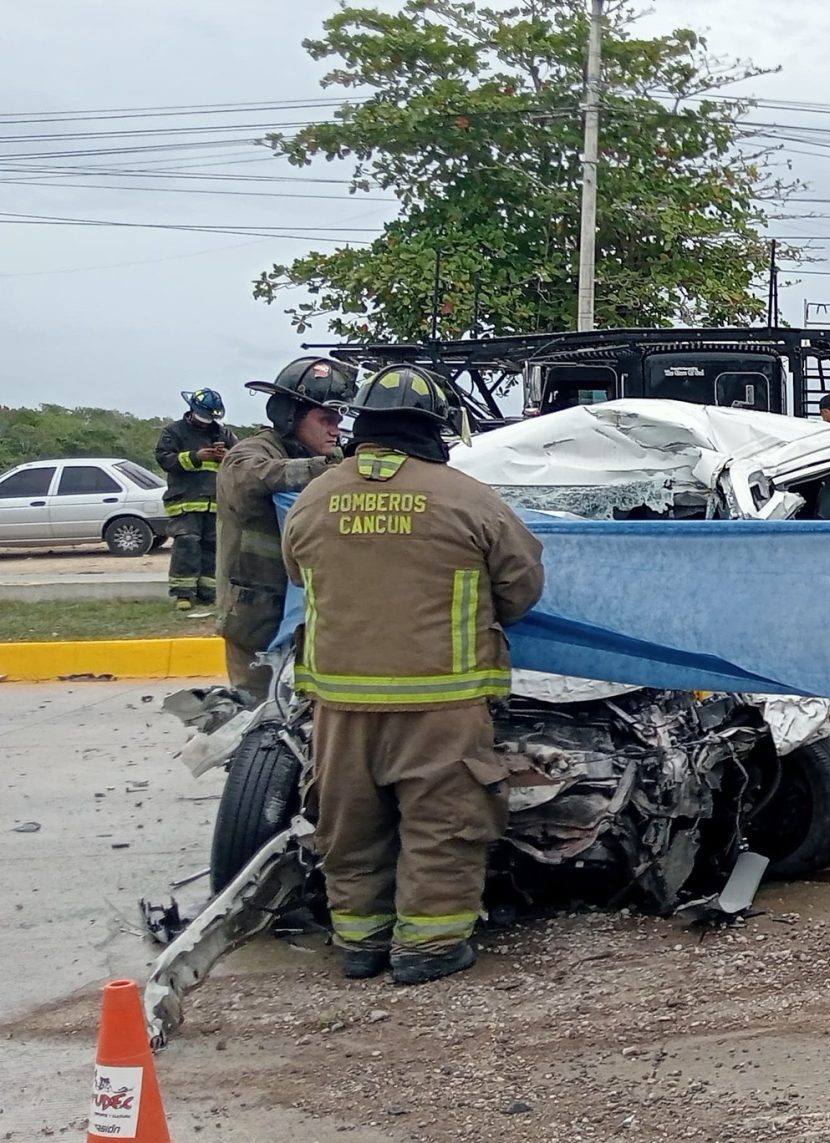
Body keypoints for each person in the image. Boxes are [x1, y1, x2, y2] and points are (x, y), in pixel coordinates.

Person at [284, 365, 544, 986]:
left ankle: (360, 943)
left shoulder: (315, 498)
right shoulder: (467, 497)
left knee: (349, 823)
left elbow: (299, 575)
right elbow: (522, 584)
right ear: (437, 428)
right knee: (444, 825)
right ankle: (428, 949)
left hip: (340, 704)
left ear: (362, 424)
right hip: (441, 700)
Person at [216, 357, 355, 692]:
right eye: (325, 419)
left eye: (337, 419)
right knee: (256, 715)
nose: (335, 429)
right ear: (290, 416)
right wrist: (325, 470)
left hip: (306, 617)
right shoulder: (250, 452)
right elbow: (250, 478)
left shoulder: (324, 458)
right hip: (255, 620)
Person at [156, 389, 238, 613]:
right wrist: (196, 456)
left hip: (215, 501)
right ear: (193, 410)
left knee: (213, 547)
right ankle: (183, 594)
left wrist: (227, 457)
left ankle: (207, 593)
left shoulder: (223, 433)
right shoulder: (174, 432)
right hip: (186, 501)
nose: (206, 422)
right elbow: (165, 459)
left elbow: (241, 458)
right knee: (187, 544)